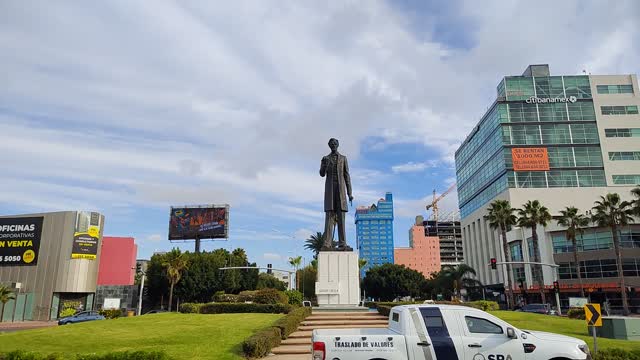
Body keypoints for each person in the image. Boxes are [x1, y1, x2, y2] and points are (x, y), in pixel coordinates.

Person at [319, 138, 353, 250]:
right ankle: (327, 243)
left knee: (341, 217)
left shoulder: (343, 159)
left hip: (341, 191)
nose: (333, 145)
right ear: (329, 145)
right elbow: (322, 174)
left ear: (338, 145)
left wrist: (349, 193)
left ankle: (342, 243)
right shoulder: (326, 158)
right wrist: (324, 164)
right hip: (330, 191)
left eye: (335, 143)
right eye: (331, 144)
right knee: (329, 216)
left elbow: (347, 176)